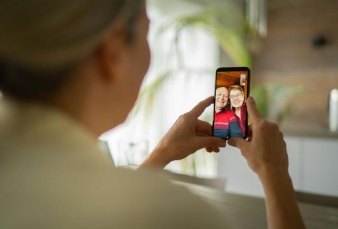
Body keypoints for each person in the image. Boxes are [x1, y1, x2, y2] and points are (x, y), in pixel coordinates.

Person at [0, 0, 305, 228]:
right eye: (149, 33)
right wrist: (273, 170)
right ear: (113, 49)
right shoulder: (168, 214)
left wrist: (161, 153)